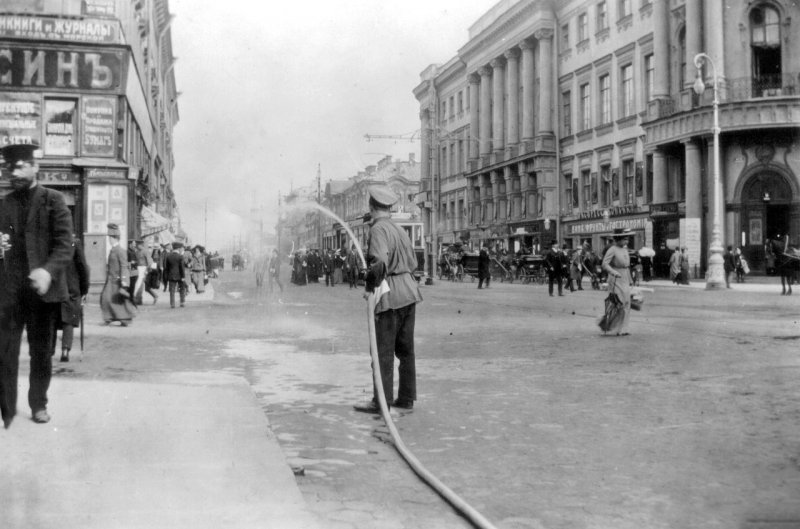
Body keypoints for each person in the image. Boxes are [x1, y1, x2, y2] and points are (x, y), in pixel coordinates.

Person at [0, 141, 74, 427]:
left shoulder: (53, 200)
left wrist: (48, 271)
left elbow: (64, 245)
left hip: (43, 294)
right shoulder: (3, 204)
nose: (14, 172)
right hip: (9, 294)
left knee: (41, 353)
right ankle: (6, 407)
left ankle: (38, 404)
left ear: (35, 167)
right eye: (10, 167)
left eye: (20, 166)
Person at [353, 185, 423, 414]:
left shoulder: (378, 230)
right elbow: (413, 262)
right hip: (409, 293)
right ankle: (406, 398)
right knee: (406, 350)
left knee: (382, 351)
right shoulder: (399, 229)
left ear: (372, 208)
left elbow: (380, 262)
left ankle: (381, 402)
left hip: (390, 296)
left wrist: (370, 283)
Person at [58, 235, 90, 362]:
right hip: (71, 287)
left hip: (55, 286)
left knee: (52, 319)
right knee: (68, 320)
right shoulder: (74, 243)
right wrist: (84, 289)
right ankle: (65, 350)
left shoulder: (51, 239)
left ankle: (49, 351)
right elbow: (83, 268)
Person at [100, 224, 135, 326]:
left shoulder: (120, 251)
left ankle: (125, 319)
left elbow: (124, 266)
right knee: (107, 299)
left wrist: (124, 282)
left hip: (117, 281)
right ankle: (109, 317)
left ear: (114, 238)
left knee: (117, 301)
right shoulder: (113, 250)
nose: (109, 240)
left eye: (110, 238)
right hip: (111, 280)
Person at [601, 228, 633, 336]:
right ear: (618, 239)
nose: (626, 242)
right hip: (615, 278)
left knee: (627, 302)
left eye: (627, 239)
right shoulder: (612, 249)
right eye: (624, 239)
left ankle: (624, 328)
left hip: (624, 278)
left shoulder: (625, 250)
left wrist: (630, 279)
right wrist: (613, 272)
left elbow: (627, 266)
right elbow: (605, 264)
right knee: (619, 302)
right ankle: (615, 327)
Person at [164, 242, 187, 308]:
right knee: (182, 288)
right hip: (180, 275)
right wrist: (183, 276)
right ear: (178, 248)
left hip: (171, 275)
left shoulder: (168, 256)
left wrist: (167, 275)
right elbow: (182, 267)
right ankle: (182, 302)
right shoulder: (180, 257)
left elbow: (167, 267)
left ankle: (172, 304)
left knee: (172, 290)